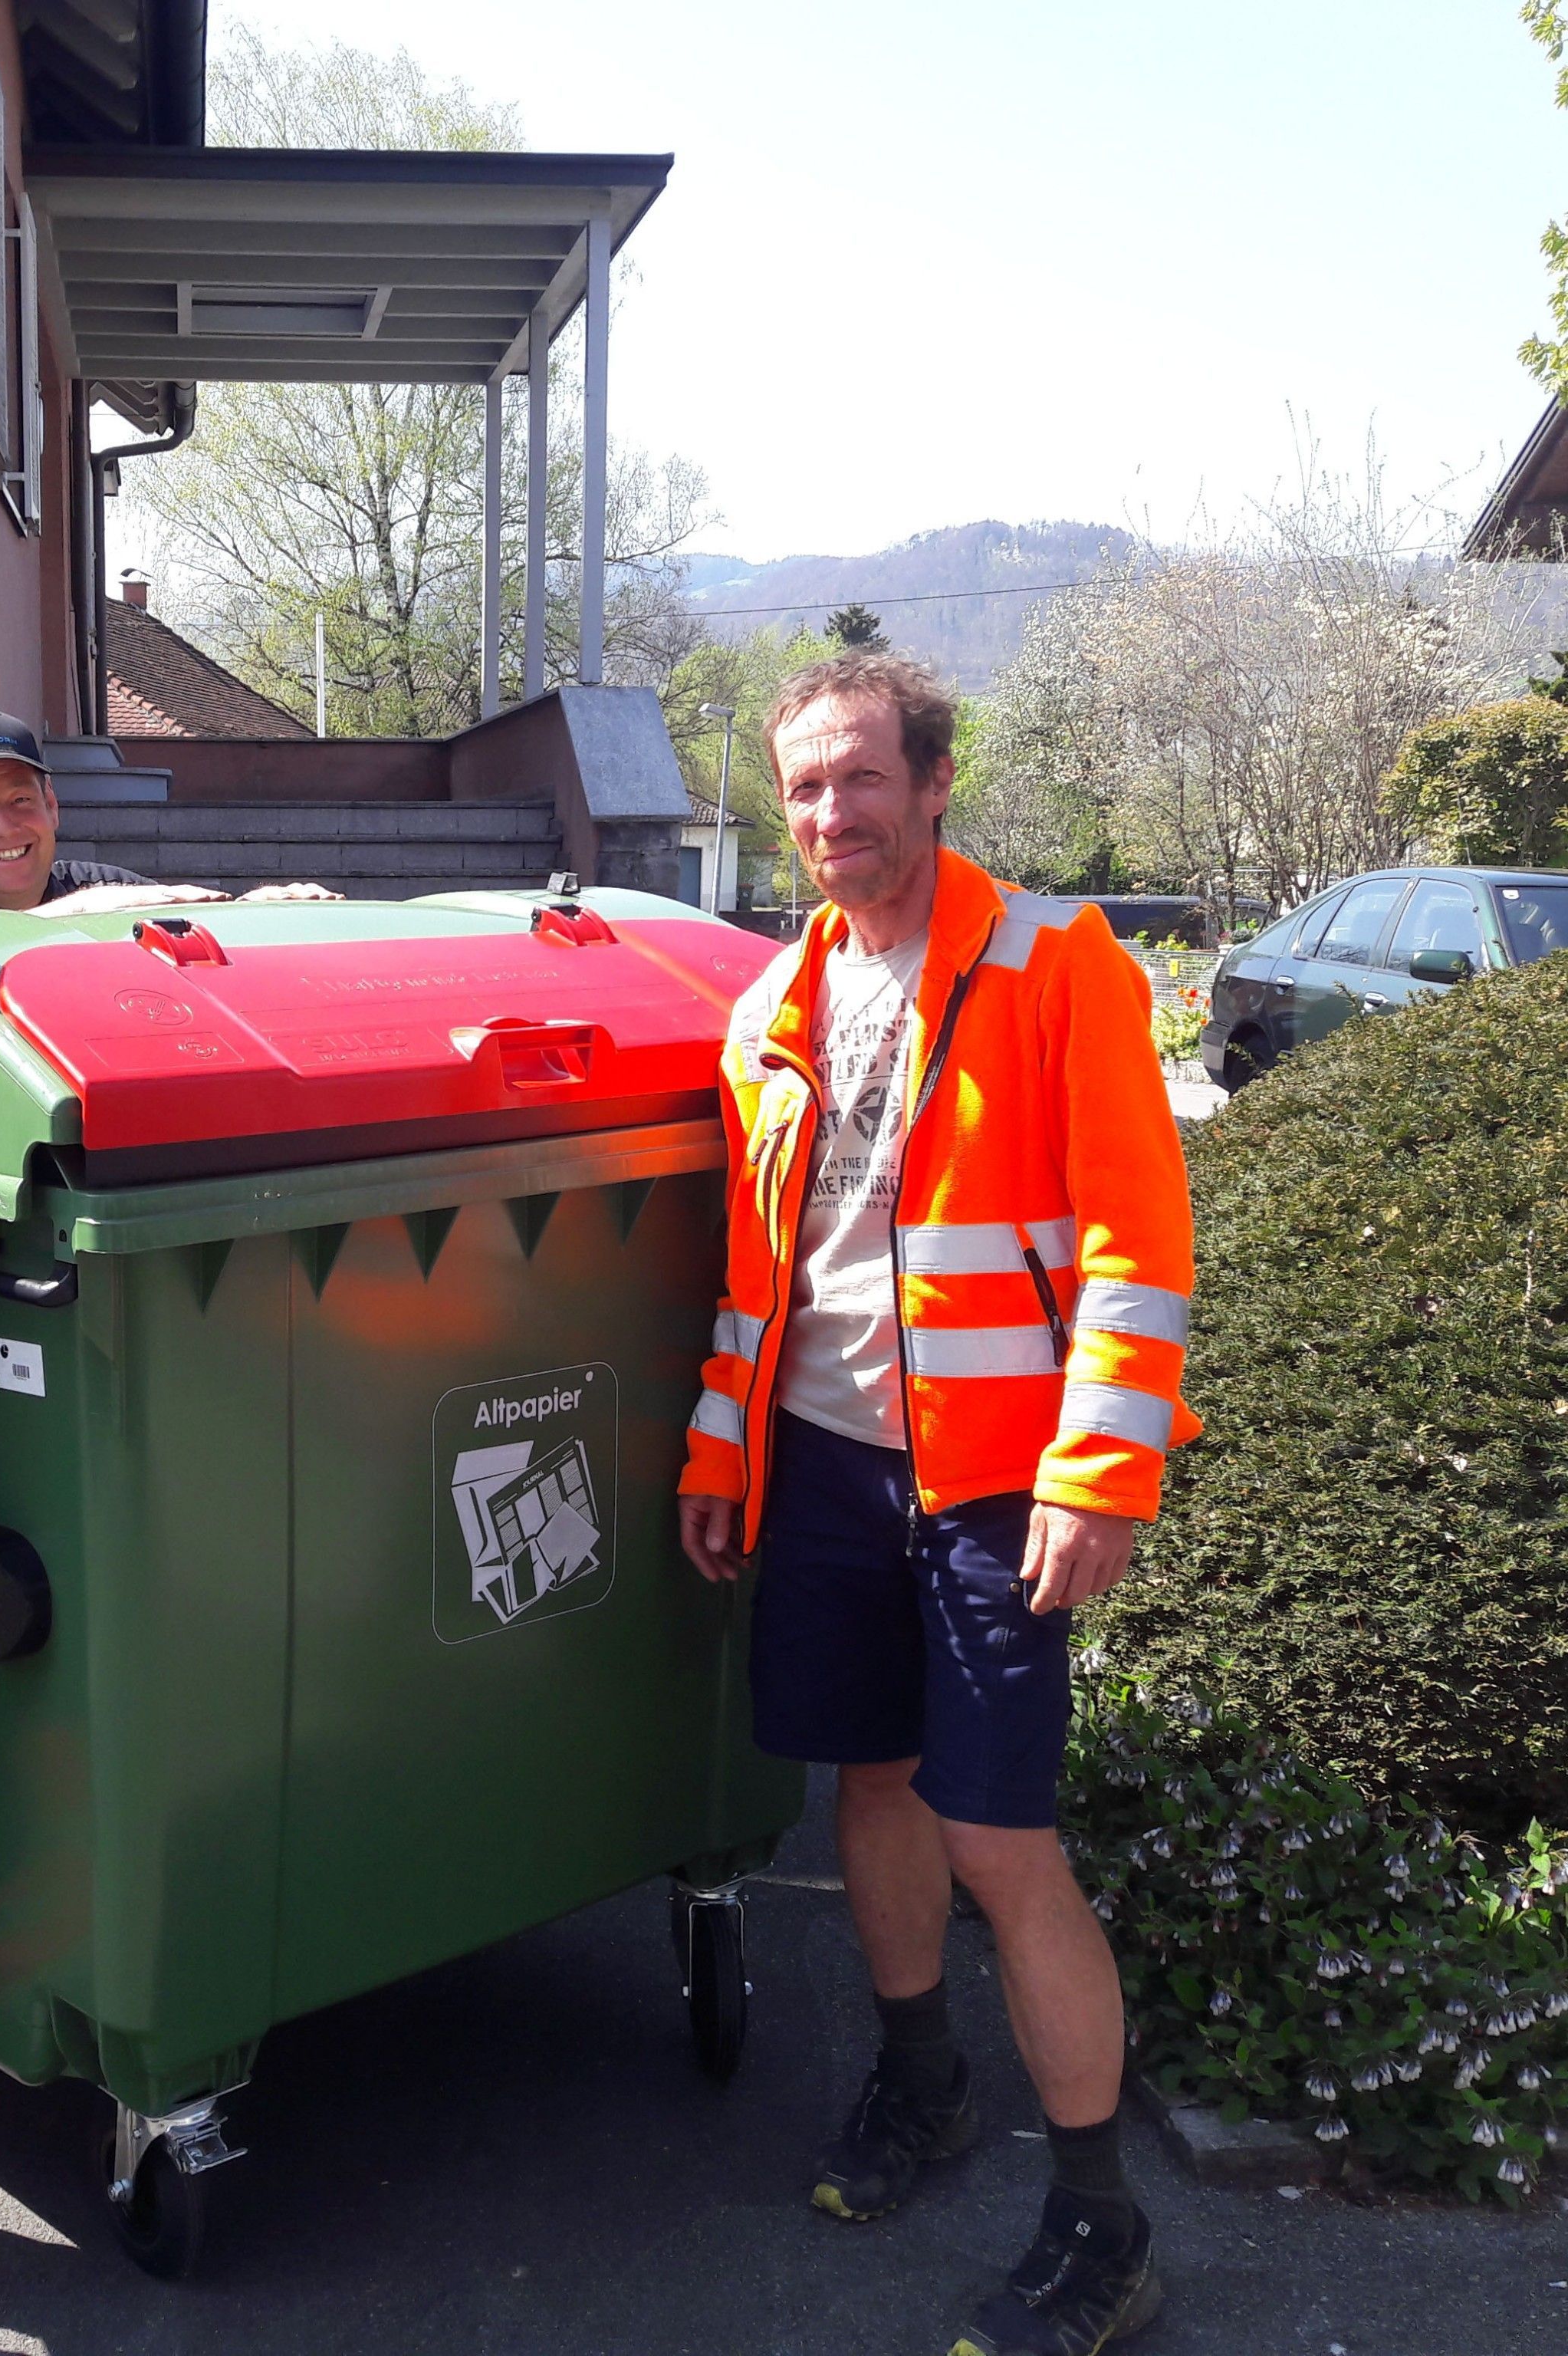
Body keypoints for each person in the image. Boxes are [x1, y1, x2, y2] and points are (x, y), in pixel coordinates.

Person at [676, 652, 1198, 2356]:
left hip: (993, 1480)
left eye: (860, 779)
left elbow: (1134, 1234)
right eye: (805, 787)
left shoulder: (1054, 964)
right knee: (867, 1791)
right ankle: (921, 2085)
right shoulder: (774, 1007)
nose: (831, 814)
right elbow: (766, 1277)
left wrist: (1102, 1466)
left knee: (1000, 1839)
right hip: (823, 1466)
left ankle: (1100, 2221)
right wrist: (714, 1453)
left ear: (933, 780)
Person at [0, 706, 338, 910]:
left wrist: (256, 911)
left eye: (21, 800)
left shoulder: (107, 887)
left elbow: (197, 926)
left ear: (51, 806)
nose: (4, 826)